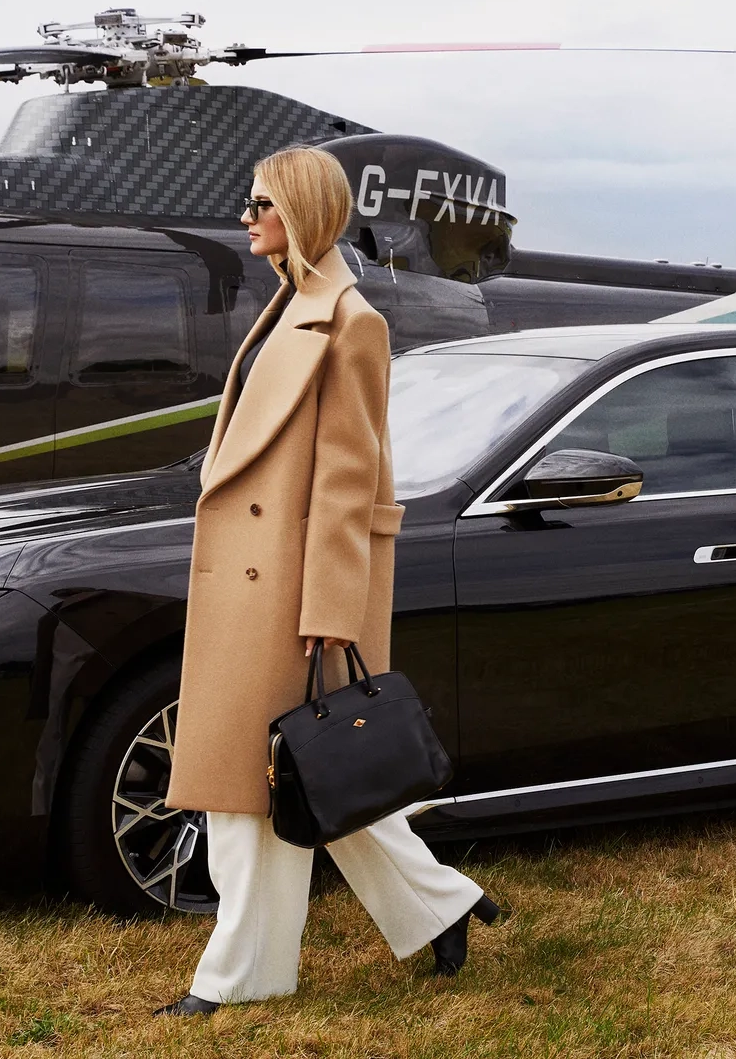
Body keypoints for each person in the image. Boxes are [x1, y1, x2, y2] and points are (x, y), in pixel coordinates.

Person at [156, 146, 499, 1018]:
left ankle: (237, 978)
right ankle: (441, 904)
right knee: (306, 775)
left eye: (260, 202)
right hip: (257, 576)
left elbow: (351, 477)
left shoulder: (350, 321)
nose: (246, 217)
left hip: (289, 589)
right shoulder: (287, 305)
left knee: (253, 788)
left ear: (302, 212)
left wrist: (332, 603)